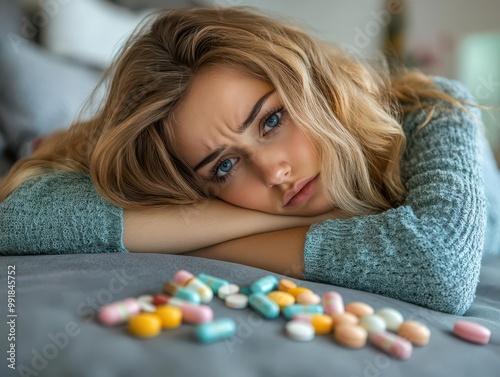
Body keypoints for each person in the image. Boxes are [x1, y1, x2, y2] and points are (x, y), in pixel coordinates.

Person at [1, 7, 499, 315]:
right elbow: (14, 219)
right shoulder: (203, 174)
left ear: (309, 79)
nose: (273, 173)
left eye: (271, 121)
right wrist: (248, 220)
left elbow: (438, 265)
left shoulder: (432, 108)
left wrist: (208, 246)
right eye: (224, 166)